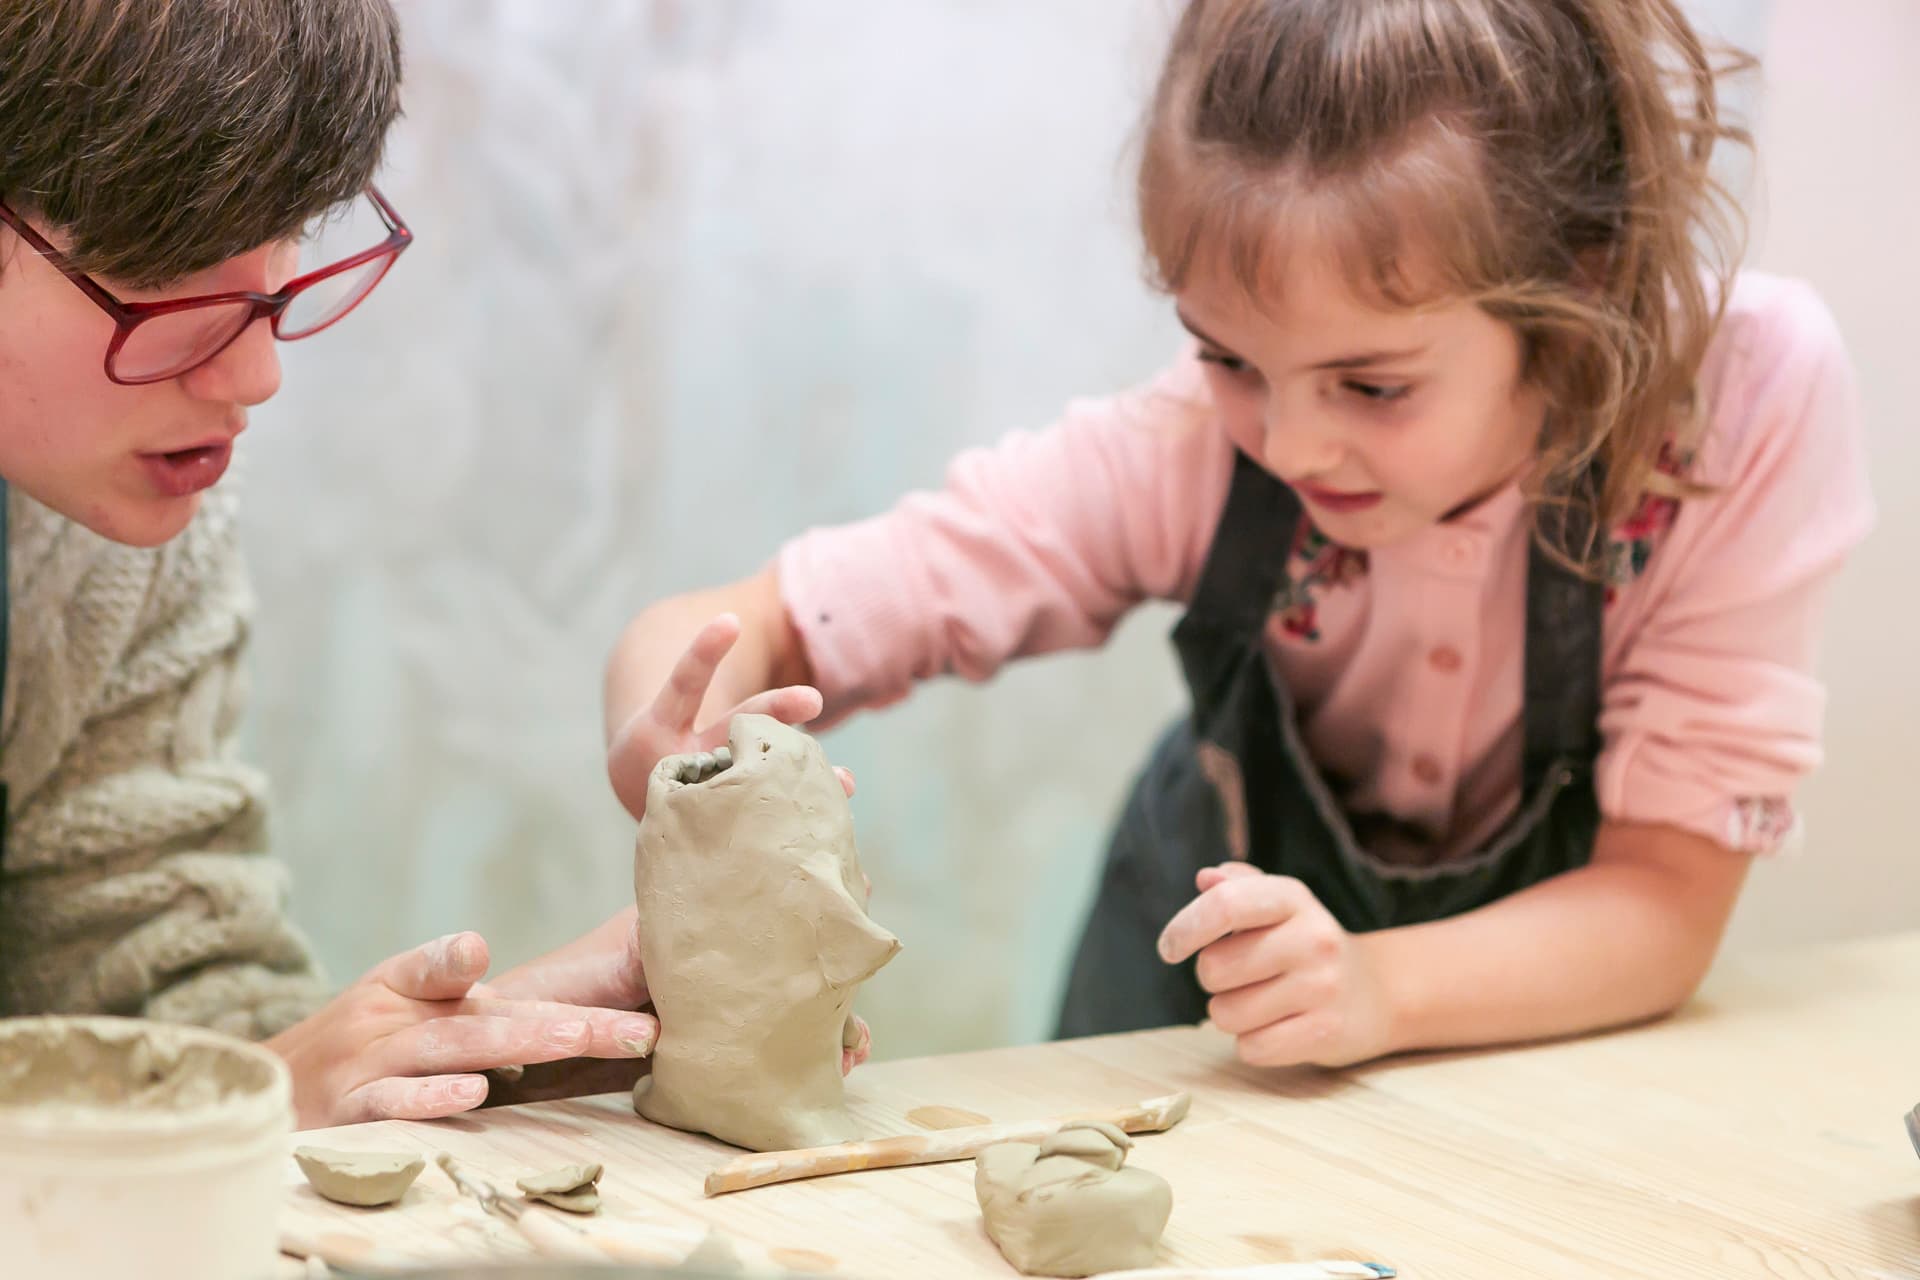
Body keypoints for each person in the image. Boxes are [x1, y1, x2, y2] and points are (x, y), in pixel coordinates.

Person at [603, 0, 1873, 1068]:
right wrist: (665, 727)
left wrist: (1375, 989)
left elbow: (1663, 902)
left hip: (1539, 1009)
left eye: (1372, 386)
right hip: (1193, 981)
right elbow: (765, 610)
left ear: (1580, 279)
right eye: (1227, 356)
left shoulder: (1738, 403)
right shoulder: (1193, 443)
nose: (1293, 441)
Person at [0, 0, 874, 1128]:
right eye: (175, 281)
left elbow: (151, 1005)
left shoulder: (111, 532)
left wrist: (480, 1043)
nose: (258, 375)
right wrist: (267, 1091)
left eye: (283, 263)